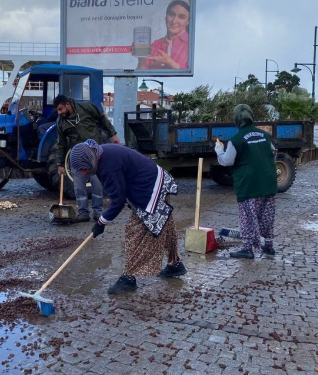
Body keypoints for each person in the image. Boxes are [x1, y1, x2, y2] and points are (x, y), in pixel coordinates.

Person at [70, 140, 186, 294]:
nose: (84, 173)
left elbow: (118, 201)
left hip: (151, 190)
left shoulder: (108, 166)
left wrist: (101, 222)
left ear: (89, 161)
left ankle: (128, 279)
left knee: (135, 232)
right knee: (166, 225)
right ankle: (175, 264)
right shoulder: (101, 153)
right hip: (158, 182)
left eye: (84, 169)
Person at [214, 104, 277, 259]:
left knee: (248, 216)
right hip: (268, 182)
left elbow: (227, 161)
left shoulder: (236, 139)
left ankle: (248, 248)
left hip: (249, 185)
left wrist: (219, 150)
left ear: (236, 119)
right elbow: (273, 152)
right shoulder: (264, 135)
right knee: (267, 216)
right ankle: (268, 246)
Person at [54, 94, 120, 222]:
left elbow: (103, 119)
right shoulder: (60, 122)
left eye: (60, 109)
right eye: (57, 110)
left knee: (97, 184)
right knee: (79, 187)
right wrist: (60, 164)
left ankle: (98, 213)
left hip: (95, 154)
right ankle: (83, 213)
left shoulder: (87, 108)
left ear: (68, 104)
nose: (59, 112)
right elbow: (61, 144)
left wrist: (113, 134)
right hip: (77, 157)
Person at [136, 0, 191, 71]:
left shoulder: (190, 44)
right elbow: (142, 76)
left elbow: (195, 76)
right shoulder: (156, 44)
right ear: (166, 17)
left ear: (188, 21)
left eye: (181, 17)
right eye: (171, 15)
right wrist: (141, 59)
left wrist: (169, 62)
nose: (174, 21)